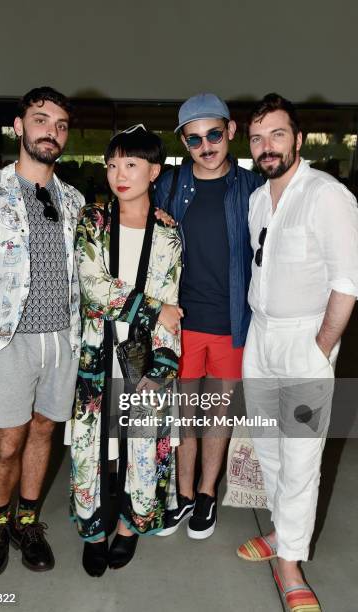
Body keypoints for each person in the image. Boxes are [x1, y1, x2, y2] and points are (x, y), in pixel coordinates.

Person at [0, 86, 84, 576]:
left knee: (45, 430)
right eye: (42, 120)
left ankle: (28, 521)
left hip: (63, 339)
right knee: (9, 441)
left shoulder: (72, 198)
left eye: (61, 125)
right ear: (19, 126)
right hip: (10, 340)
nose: (52, 131)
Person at [237, 93, 358, 611]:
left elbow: (347, 284)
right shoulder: (258, 198)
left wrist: (319, 349)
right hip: (260, 337)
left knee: (302, 454)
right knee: (266, 446)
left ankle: (289, 563)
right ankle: (279, 532)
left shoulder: (327, 195)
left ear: (298, 140)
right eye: (258, 138)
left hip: (304, 341)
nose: (267, 147)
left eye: (277, 135)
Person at [68, 125, 182, 576]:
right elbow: (95, 289)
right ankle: (94, 531)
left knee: (142, 444)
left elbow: (173, 304)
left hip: (144, 358)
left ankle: (131, 527)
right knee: (89, 445)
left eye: (131, 164)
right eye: (113, 164)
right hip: (98, 353)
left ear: (154, 171)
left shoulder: (169, 234)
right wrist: (154, 310)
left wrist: (163, 365)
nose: (119, 173)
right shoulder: (93, 222)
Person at [153, 93, 264, 539]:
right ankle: (181, 495)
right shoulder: (170, 184)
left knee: (217, 415)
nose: (206, 145)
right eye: (195, 138)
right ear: (184, 142)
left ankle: (205, 493)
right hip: (179, 322)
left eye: (214, 133)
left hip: (232, 324)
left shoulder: (253, 188)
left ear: (231, 131)